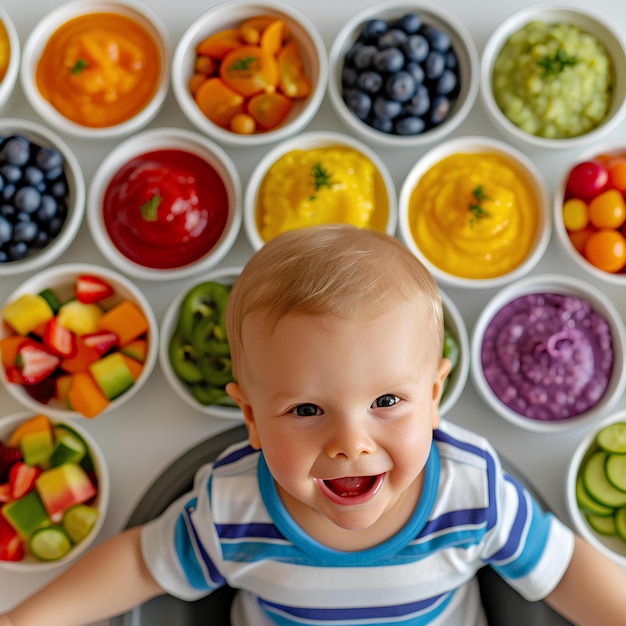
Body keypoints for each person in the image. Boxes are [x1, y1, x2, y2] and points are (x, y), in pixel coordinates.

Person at [2, 223, 626, 626]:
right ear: (250, 416)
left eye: (387, 401)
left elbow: (564, 568)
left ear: (434, 395)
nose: (351, 442)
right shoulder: (233, 507)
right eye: (306, 410)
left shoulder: (473, 493)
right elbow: (142, 565)